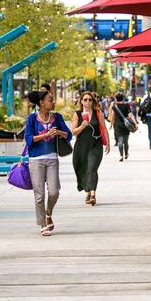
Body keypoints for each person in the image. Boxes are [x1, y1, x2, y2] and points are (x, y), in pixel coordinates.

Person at [24, 89, 73, 236]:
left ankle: (49, 212)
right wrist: (45, 135)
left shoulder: (57, 117)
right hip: (36, 159)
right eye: (50, 100)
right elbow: (28, 139)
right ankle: (43, 224)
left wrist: (58, 132)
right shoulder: (32, 119)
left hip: (52, 158)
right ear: (41, 103)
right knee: (39, 194)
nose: (53, 102)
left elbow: (68, 135)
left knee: (54, 191)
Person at [72, 91, 110, 205]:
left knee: (92, 168)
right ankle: (87, 191)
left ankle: (93, 194)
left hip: (95, 145)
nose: (87, 102)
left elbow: (104, 128)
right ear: (81, 101)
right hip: (81, 146)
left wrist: (108, 143)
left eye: (90, 99)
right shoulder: (77, 114)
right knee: (82, 169)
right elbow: (73, 132)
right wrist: (82, 126)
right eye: (85, 99)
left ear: (93, 101)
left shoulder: (98, 113)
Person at [110, 93, 137, 162]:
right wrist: (135, 123)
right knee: (126, 141)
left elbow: (112, 116)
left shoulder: (114, 107)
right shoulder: (126, 105)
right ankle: (126, 154)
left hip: (117, 126)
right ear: (123, 98)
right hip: (126, 125)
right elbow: (130, 115)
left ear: (116, 99)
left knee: (120, 141)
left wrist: (111, 124)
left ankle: (121, 155)